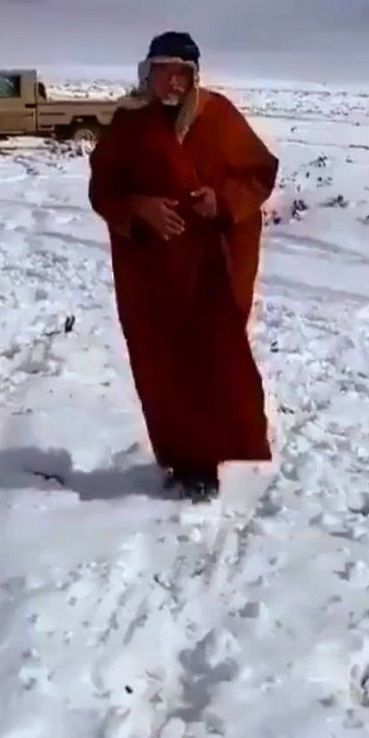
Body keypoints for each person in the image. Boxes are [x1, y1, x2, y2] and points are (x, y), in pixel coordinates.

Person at [88, 31, 278, 500]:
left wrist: (223, 201)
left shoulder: (219, 116)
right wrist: (138, 207)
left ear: (194, 76)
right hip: (153, 272)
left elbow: (260, 172)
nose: (171, 82)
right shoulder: (128, 124)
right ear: (146, 73)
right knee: (162, 366)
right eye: (162, 71)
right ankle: (180, 457)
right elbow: (103, 189)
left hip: (212, 268)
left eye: (181, 73)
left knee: (211, 360)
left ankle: (206, 463)